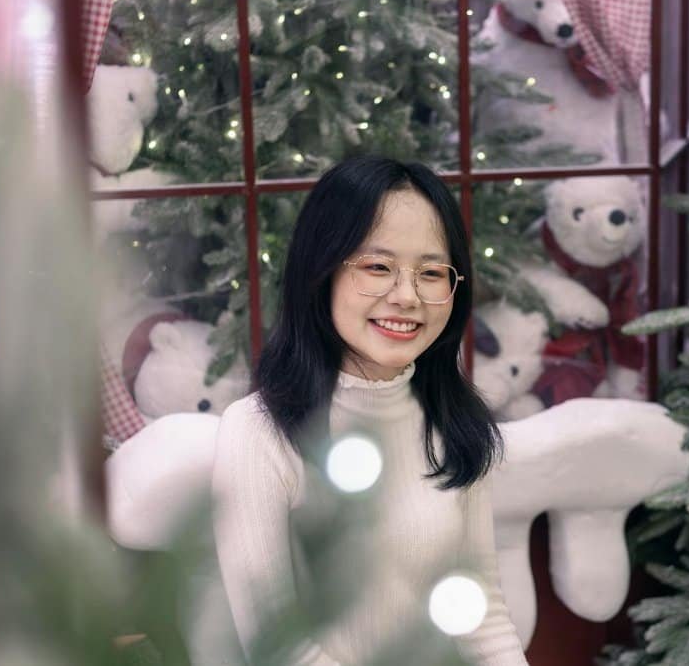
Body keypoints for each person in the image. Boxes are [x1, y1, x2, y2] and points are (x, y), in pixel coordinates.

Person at [212, 156, 529, 665]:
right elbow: (278, 649)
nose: (406, 296)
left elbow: (480, 613)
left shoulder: (451, 422)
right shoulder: (258, 432)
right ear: (321, 272)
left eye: (430, 272)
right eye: (377, 266)